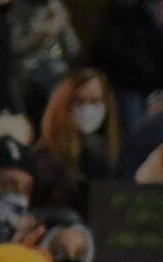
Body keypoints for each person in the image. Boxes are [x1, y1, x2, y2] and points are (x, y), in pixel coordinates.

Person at [33, 69, 119, 214]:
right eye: (79, 101)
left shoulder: (102, 151)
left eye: (95, 101)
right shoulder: (46, 157)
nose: (87, 109)